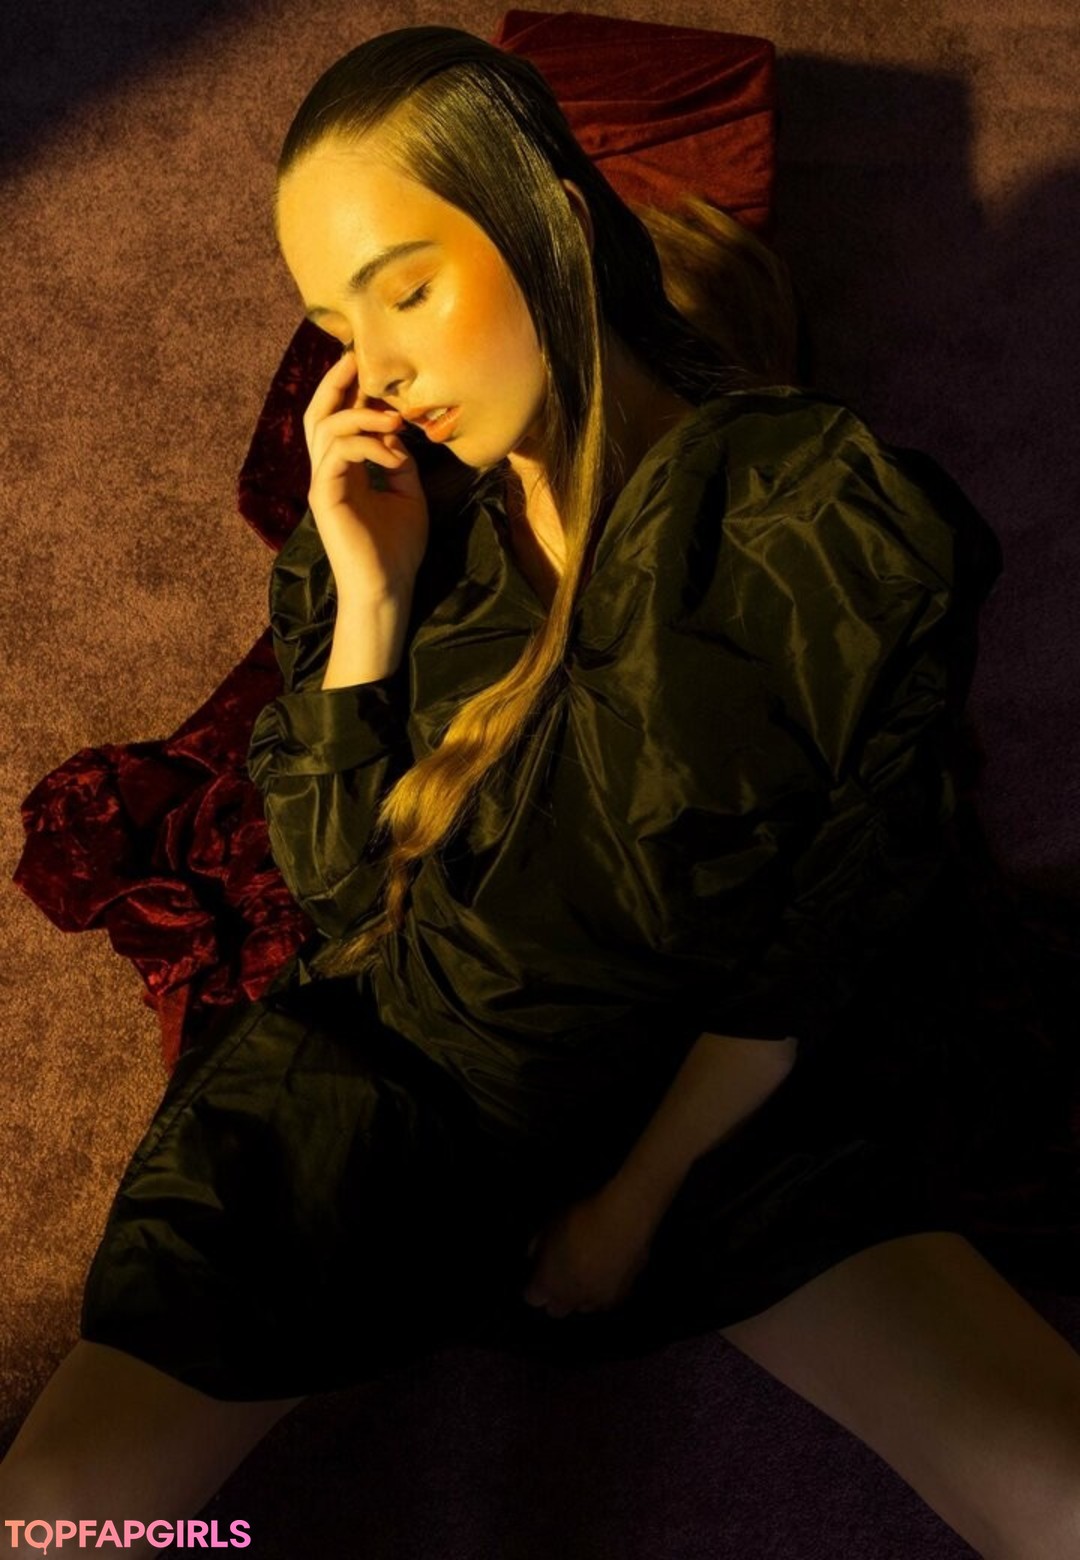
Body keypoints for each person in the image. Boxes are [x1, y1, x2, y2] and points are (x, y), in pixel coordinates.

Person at [2, 24, 1079, 1558]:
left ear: (552, 224)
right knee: (60, 1521)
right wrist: (370, 605)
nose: (377, 366)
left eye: (407, 289)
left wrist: (632, 1203)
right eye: (336, 321)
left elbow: (819, 927)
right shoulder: (402, 532)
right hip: (401, 1084)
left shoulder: (791, 512)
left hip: (720, 1116)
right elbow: (338, 904)